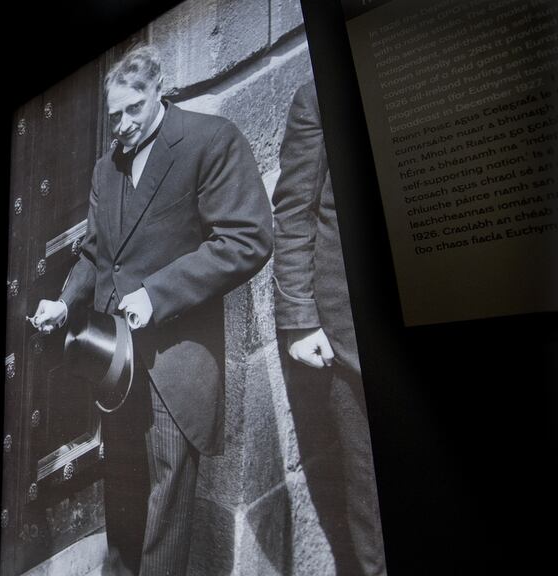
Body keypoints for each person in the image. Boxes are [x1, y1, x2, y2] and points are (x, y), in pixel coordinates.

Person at [31, 45, 272, 576]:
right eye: (113, 114)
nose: (121, 125)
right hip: (114, 363)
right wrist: (63, 302)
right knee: (121, 496)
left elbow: (247, 239)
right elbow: (97, 253)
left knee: (165, 506)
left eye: (133, 109)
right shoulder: (106, 167)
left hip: (174, 364)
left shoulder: (210, 141)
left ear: (159, 90)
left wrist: (158, 294)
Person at [271, 80, 387, 576]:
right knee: (373, 511)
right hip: (354, 344)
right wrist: (299, 319)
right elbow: (295, 210)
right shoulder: (322, 96)